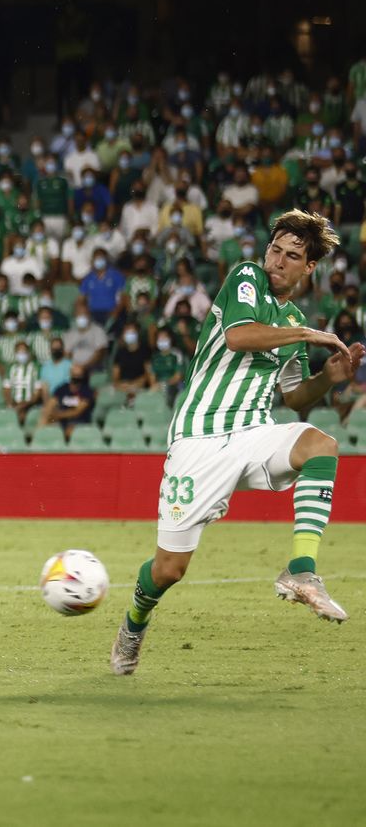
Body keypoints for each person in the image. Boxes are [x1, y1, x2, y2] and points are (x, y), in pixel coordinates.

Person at [112, 210, 361, 676]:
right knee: (169, 570)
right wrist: (311, 334)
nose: (277, 261)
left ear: (309, 268)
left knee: (321, 446)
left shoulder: (291, 319)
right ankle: (134, 622)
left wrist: (328, 379)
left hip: (253, 430)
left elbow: (291, 396)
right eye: (275, 250)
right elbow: (238, 336)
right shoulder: (246, 278)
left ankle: (301, 569)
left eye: (292, 256)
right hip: (199, 437)